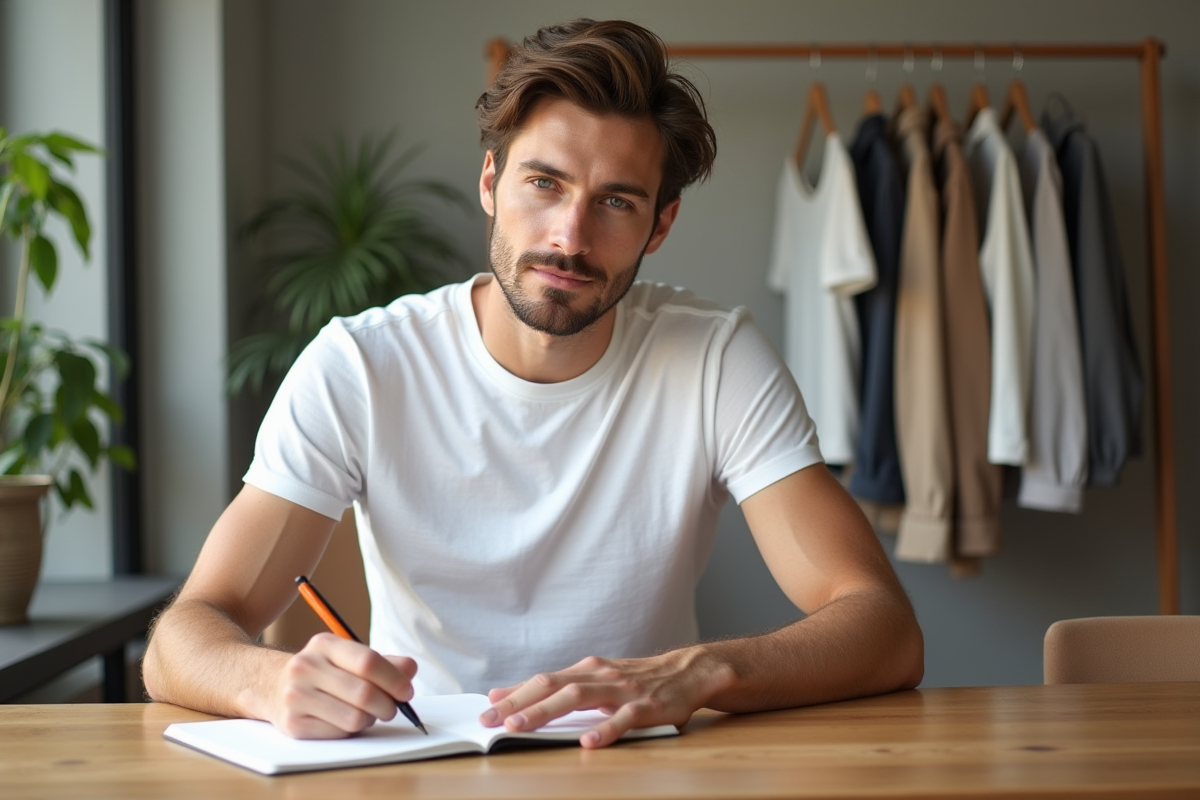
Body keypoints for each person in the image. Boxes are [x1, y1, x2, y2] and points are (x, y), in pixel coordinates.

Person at [143, 18, 923, 749]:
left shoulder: (716, 359)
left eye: (615, 201)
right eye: (544, 184)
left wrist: (701, 670)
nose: (569, 237)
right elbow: (183, 637)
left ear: (659, 225)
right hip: (419, 762)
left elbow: (884, 627)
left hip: (635, 765)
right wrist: (269, 680)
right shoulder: (361, 366)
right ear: (491, 182)